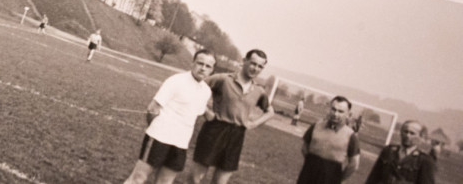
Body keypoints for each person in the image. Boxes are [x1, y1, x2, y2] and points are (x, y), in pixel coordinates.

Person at [124, 50, 217, 184]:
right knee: (138, 178)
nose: (203, 68)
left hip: (181, 143)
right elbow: (152, 109)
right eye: (200, 63)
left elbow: (198, 111)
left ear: (212, 70)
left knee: (165, 182)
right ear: (192, 63)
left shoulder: (206, 91)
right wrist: (155, 129)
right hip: (159, 137)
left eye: (208, 66)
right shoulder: (176, 81)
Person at [189, 49, 275, 184]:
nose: (255, 68)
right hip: (215, 129)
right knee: (196, 177)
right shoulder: (223, 79)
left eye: (260, 66)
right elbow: (195, 89)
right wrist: (205, 111)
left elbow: (270, 112)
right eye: (253, 63)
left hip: (236, 135)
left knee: (221, 181)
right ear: (244, 61)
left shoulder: (259, 91)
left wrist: (253, 124)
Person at [296, 96, 361, 184]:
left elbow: (354, 164)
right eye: (333, 109)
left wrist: (338, 178)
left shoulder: (351, 136)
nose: (335, 114)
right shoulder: (316, 126)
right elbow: (304, 148)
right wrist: (313, 164)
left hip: (331, 178)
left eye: (340, 111)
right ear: (329, 109)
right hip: (308, 174)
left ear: (348, 114)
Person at [365, 121, 436, 184]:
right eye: (405, 132)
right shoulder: (388, 151)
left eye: (412, 133)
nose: (408, 135)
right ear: (401, 133)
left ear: (420, 137)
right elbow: (373, 178)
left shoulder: (425, 160)